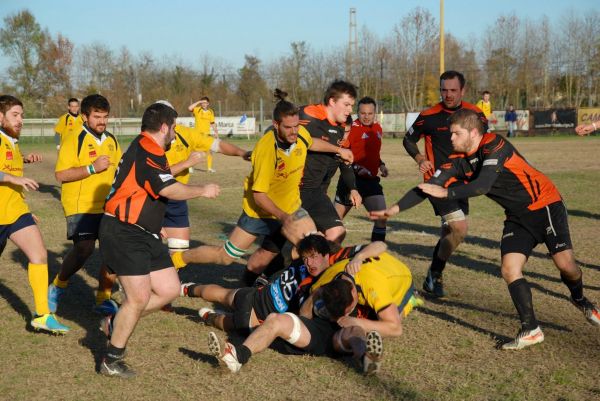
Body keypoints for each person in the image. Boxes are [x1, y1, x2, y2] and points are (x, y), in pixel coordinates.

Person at [378, 108, 600, 349]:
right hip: (517, 216)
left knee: (567, 266)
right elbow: (429, 187)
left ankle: (580, 299)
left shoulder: (494, 144)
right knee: (509, 269)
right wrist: (395, 209)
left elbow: (482, 186)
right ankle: (531, 328)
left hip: (545, 204)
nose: (450, 139)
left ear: (473, 133)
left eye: (455, 134)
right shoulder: (456, 161)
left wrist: (448, 192)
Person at [170, 90, 353, 285]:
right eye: (288, 128)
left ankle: (312, 290)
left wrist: (338, 149)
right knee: (225, 256)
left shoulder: (300, 133)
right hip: (259, 213)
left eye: (296, 126)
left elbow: (311, 142)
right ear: (276, 125)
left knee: (313, 246)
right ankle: (180, 259)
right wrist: (283, 218)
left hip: (291, 207)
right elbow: (259, 196)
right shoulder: (266, 150)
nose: (294, 132)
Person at [97, 102, 221, 378]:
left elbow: (146, 189)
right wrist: (202, 190)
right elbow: (166, 188)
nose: (176, 134)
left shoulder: (151, 150)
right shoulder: (146, 149)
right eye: (174, 127)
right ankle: (111, 359)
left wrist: (156, 223)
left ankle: (115, 320)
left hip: (144, 231)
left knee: (169, 289)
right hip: (123, 230)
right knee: (138, 297)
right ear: (164, 127)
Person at [181, 235, 386, 333]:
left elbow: (380, 244)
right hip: (259, 300)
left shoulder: (337, 260)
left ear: (326, 254)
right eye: (306, 258)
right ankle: (185, 289)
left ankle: (208, 315)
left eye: (314, 257)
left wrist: (359, 258)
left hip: (262, 310)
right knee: (223, 296)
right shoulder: (310, 277)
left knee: (229, 312)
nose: (309, 263)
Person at [403, 70, 487, 298]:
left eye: (453, 90)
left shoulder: (476, 113)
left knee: (448, 232)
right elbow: (408, 139)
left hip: (462, 184)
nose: (448, 94)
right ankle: (435, 274)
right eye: (444, 90)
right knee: (460, 229)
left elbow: (483, 142)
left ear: (463, 90)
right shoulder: (428, 115)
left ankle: (434, 275)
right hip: (436, 183)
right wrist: (420, 159)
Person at [0, 95, 69, 333]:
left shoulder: (11, 141)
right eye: (14, 115)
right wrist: (13, 177)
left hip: (16, 213)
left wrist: (24, 160)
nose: (20, 120)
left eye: (22, 115)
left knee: (39, 255)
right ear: (1, 117)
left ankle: (43, 314)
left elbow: (7, 164)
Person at [48, 94, 122, 316]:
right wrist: (91, 168)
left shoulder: (111, 140)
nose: (102, 121)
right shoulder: (74, 138)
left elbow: (118, 170)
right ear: (84, 116)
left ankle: (103, 298)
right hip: (80, 204)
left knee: (114, 250)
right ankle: (58, 285)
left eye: (105, 117)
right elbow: (61, 174)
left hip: (107, 204)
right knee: (84, 249)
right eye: (97, 116)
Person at [207, 278, 357, 373]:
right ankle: (208, 316)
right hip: (310, 331)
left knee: (354, 331)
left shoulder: (353, 311)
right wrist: (315, 294)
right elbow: (304, 317)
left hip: (322, 337)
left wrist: (350, 321)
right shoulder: (328, 298)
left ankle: (238, 356)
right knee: (247, 324)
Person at [299, 80, 362, 244]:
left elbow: (344, 163)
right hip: (295, 191)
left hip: (317, 193)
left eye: (352, 105)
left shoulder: (340, 128)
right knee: (274, 252)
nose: (350, 110)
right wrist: (339, 150)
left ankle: (316, 268)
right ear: (332, 101)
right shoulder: (307, 114)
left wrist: (353, 189)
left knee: (334, 234)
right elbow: (304, 140)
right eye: (347, 104)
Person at [334, 96, 389, 242]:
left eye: (370, 113)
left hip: (371, 182)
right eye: (363, 113)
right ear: (357, 112)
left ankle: (375, 256)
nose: (366, 116)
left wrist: (381, 165)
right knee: (333, 224)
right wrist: (355, 170)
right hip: (351, 180)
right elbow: (342, 156)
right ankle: (323, 256)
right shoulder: (350, 129)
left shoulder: (378, 128)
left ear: (375, 113)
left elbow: (372, 153)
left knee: (381, 218)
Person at [188, 96, 219, 172]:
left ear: (208, 103)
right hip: (197, 134)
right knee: (194, 151)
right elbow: (189, 108)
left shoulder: (210, 112)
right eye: (202, 102)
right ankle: (190, 167)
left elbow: (212, 122)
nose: (204, 104)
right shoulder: (197, 109)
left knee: (209, 151)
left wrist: (216, 132)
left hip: (206, 135)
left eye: (205, 102)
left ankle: (209, 168)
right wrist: (199, 102)